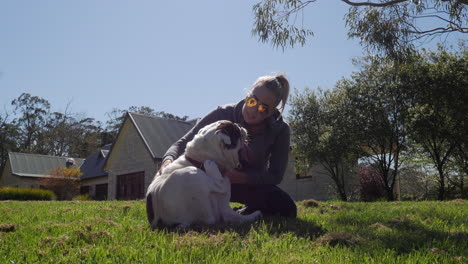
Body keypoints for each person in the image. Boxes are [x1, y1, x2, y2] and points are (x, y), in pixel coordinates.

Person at [157, 73, 297, 218]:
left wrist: (239, 177)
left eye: (263, 109)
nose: (254, 110)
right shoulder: (222, 114)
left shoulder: (280, 130)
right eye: (252, 101)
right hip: (208, 178)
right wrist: (167, 163)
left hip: (246, 185)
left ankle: (244, 211)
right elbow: (182, 143)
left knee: (287, 207)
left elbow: (275, 176)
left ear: (272, 112)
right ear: (247, 95)